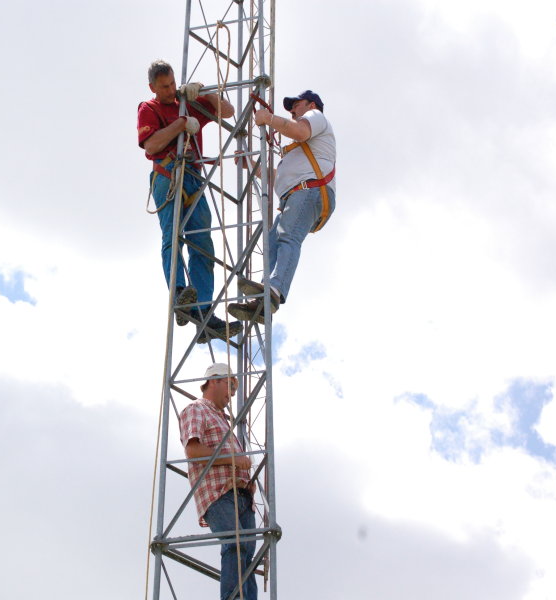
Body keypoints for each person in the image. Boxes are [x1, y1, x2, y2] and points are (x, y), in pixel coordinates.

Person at [138, 60, 242, 343]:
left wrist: (205, 93)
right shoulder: (149, 108)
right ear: (152, 87)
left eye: (172, 83)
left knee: (203, 243)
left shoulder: (186, 101)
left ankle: (203, 312)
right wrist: (182, 124)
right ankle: (180, 294)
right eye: (164, 87)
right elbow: (152, 145)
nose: (170, 90)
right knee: (173, 236)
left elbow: (228, 112)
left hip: (193, 179)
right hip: (168, 174)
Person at [228, 90, 336, 324]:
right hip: (299, 192)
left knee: (287, 237)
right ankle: (264, 297)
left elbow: (299, 131)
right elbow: (279, 176)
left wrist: (269, 119)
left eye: (297, 105)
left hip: (309, 190)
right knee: (272, 242)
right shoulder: (303, 148)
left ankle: (274, 290)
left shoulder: (315, 117)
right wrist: (251, 165)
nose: (293, 111)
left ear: (311, 105)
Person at [179, 363, 257, 600]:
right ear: (215, 380)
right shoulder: (196, 409)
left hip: (240, 494)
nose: (232, 394)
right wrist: (234, 459)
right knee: (235, 545)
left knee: (246, 556)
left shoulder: (222, 419)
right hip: (218, 493)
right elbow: (193, 451)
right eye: (230, 385)